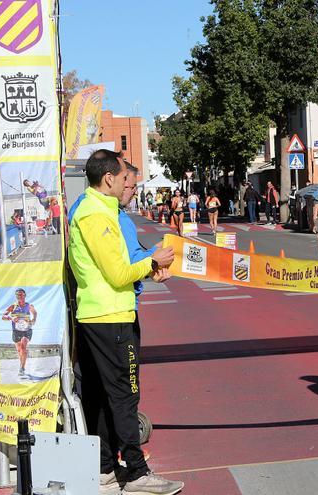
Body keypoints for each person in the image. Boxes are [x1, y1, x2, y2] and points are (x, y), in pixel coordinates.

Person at [67, 149, 182, 494]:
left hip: (101, 314)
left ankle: (105, 468)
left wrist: (147, 266)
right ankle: (136, 472)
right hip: (110, 315)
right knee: (125, 394)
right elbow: (118, 273)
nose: (127, 186)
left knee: (102, 395)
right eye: (125, 179)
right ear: (109, 179)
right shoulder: (95, 215)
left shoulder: (98, 210)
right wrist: (153, 262)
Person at [2, 288, 36, 378]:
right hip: (16, 331)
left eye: (21, 294)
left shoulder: (29, 305)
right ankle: (22, 364)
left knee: (23, 347)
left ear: (25, 295)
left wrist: (33, 320)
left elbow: (35, 313)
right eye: (17, 294)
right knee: (19, 350)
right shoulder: (13, 306)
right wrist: (11, 318)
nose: (19, 296)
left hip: (27, 330)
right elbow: (3, 316)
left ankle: (22, 368)